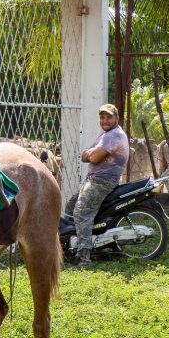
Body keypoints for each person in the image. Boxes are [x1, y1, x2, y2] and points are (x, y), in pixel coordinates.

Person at [65, 104, 130, 267]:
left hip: (101, 181)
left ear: (117, 118)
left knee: (81, 212)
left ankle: (84, 258)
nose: (105, 120)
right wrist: (90, 153)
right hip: (96, 180)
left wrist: (90, 153)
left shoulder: (112, 136)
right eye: (102, 117)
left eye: (109, 117)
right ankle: (72, 246)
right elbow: (86, 155)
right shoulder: (107, 134)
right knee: (71, 206)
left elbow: (92, 158)